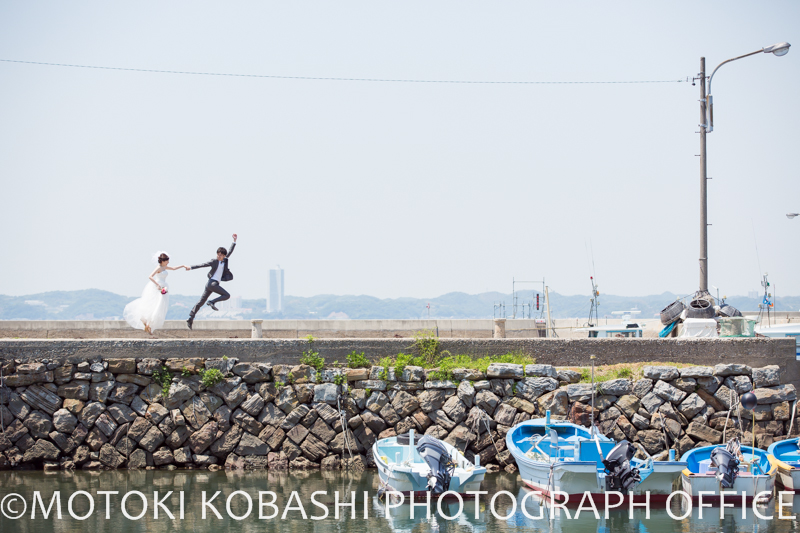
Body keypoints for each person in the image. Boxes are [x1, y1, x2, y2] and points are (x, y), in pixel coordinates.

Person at [123, 252, 188, 335]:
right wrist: (157, 285)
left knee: (159, 306)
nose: (168, 262)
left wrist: (182, 265)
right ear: (163, 261)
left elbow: (174, 268)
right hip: (158, 287)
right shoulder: (159, 267)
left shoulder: (164, 267)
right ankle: (146, 322)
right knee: (154, 304)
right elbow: (150, 276)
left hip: (163, 286)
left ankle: (149, 326)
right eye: (167, 261)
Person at [186, 233, 238, 330]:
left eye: (220, 255)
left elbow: (230, 251)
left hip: (212, 284)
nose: (218, 256)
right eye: (217, 255)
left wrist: (234, 241)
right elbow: (202, 264)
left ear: (224, 256)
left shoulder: (225, 261)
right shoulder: (214, 261)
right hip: (211, 283)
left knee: (201, 302)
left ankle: (191, 318)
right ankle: (212, 302)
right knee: (227, 295)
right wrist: (191, 267)